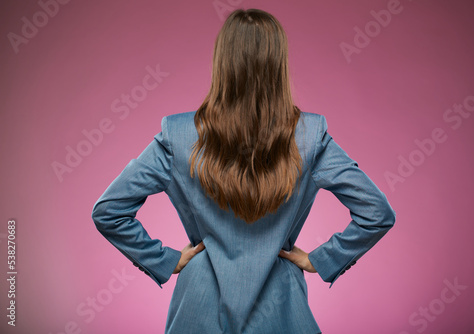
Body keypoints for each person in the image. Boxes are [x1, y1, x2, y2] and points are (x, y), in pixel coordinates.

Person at [91, 8, 396, 334]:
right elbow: (376, 213)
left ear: (223, 63)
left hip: (198, 307)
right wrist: (323, 259)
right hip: (281, 307)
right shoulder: (310, 135)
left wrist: (164, 259)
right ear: (278, 63)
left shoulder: (177, 134)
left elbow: (109, 212)